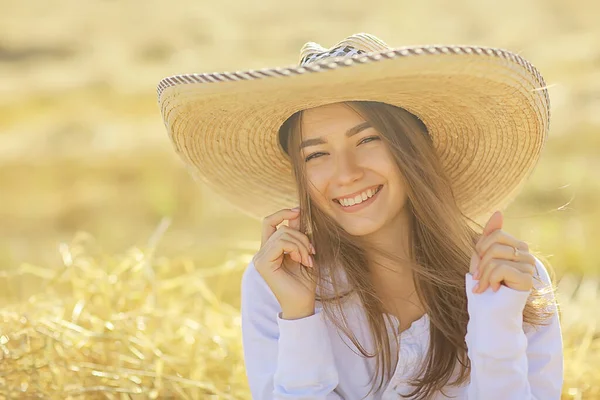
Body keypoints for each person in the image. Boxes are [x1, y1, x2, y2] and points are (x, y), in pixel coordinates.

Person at [157, 33, 563, 399]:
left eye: (368, 140)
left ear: (412, 149)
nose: (346, 173)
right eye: (316, 154)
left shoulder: (510, 280)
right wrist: (300, 316)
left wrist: (495, 331)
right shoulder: (275, 286)